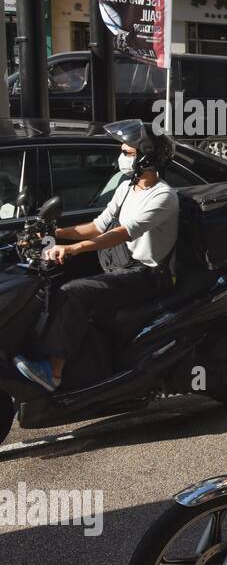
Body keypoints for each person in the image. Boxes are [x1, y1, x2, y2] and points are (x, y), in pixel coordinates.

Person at [15, 120, 178, 392]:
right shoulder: (128, 187)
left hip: (145, 274)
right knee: (53, 279)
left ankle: (53, 373)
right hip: (120, 262)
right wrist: (54, 233)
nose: (121, 157)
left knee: (73, 292)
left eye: (127, 152)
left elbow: (122, 233)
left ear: (147, 157)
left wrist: (73, 248)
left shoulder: (163, 196)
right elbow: (98, 225)